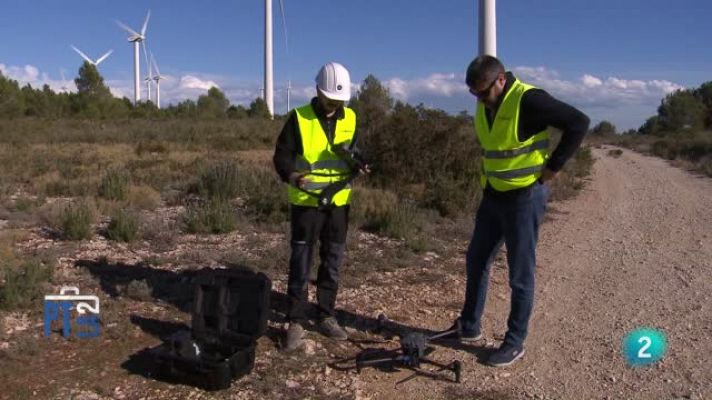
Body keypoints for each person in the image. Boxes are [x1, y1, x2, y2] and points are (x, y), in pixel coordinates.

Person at [450, 55, 590, 367]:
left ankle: (515, 342)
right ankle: (469, 327)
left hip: (524, 198)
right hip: (493, 196)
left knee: (520, 275)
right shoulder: (485, 100)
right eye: (474, 95)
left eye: (484, 93)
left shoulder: (529, 100)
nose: (480, 100)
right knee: (476, 260)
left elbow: (578, 122)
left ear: (500, 79)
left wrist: (553, 167)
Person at [273, 61, 365, 351]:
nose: (334, 105)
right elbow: (281, 156)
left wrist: (360, 163)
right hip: (307, 203)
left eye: (339, 100)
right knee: (301, 261)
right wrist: (292, 176)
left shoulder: (350, 118)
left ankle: (326, 315)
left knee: (332, 260)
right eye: (330, 99)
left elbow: (356, 151)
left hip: (338, 202)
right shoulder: (298, 119)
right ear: (318, 91)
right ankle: (296, 320)